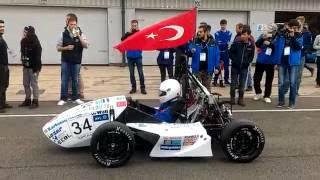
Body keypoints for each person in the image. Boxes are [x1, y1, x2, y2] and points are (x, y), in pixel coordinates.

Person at [56, 14, 89, 106]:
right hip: (66, 60)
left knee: (75, 80)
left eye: (75, 24)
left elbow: (86, 45)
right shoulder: (62, 34)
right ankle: (63, 98)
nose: (73, 26)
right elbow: (58, 48)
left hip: (76, 61)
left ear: (77, 24)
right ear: (68, 24)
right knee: (64, 80)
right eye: (71, 24)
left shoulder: (81, 33)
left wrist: (79, 36)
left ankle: (76, 98)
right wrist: (66, 48)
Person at [276, 19, 303, 109]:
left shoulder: (299, 35)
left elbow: (298, 47)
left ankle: (292, 103)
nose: (294, 30)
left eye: (296, 28)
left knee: (292, 83)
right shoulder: (283, 34)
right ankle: (281, 101)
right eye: (292, 27)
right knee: (281, 83)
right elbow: (276, 36)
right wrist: (283, 30)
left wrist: (293, 37)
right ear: (289, 26)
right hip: (282, 61)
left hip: (293, 62)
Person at [229, 26, 255, 106]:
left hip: (244, 68)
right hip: (235, 67)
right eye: (242, 34)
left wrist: (246, 62)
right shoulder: (236, 43)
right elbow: (230, 53)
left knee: (242, 84)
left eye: (244, 34)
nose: (242, 36)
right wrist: (235, 60)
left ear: (249, 36)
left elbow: (251, 57)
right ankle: (232, 98)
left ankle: (241, 99)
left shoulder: (251, 45)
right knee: (233, 84)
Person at [253, 23, 278, 103]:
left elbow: (277, 49)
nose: (269, 32)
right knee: (256, 78)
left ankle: (267, 95)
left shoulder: (277, 37)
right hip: (261, 60)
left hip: (270, 61)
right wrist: (262, 39)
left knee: (269, 80)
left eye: (271, 31)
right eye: (268, 30)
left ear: (275, 31)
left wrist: (270, 44)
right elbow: (257, 44)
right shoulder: (263, 35)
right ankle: (258, 93)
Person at [190, 25, 220, 92]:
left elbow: (217, 55)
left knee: (206, 89)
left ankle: (206, 102)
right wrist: (191, 50)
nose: (199, 33)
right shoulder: (195, 41)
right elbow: (189, 50)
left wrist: (217, 67)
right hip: (197, 69)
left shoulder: (213, 42)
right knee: (194, 88)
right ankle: (195, 102)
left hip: (208, 70)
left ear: (206, 32)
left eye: (201, 32)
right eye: (198, 32)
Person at [18, 26, 42, 108]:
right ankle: (27, 99)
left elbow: (38, 57)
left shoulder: (36, 43)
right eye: (24, 32)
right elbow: (22, 53)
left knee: (34, 84)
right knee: (25, 83)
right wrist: (23, 62)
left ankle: (35, 101)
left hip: (34, 68)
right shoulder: (23, 41)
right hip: (26, 67)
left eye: (25, 32)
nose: (24, 33)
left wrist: (36, 70)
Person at [121, 20, 146, 95]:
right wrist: (129, 33)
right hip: (130, 57)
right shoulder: (128, 34)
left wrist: (138, 32)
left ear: (137, 26)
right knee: (131, 74)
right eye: (133, 25)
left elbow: (144, 41)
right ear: (131, 26)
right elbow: (122, 39)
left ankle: (142, 88)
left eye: (135, 25)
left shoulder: (140, 33)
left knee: (140, 73)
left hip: (138, 56)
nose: (134, 27)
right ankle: (134, 88)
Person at [65, 13, 85, 99]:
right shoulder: (65, 32)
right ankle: (70, 93)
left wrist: (78, 36)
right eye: (67, 20)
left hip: (76, 58)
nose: (66, 21)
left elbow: (86, 45)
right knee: (68, 75)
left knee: (77, 76)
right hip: (67, 58)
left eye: (67, 19)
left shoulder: (79, 32)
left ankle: (80, 92)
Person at [214, 19, 232, 86]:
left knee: (226, 67)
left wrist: (223, 43)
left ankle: (226, 80)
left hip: (226, 52)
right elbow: (218, 43)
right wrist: (223, 43)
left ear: (226, 25)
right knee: (217, 66)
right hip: (219, 52)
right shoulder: (217, 33)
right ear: (220, 25)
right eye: (222, 25)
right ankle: (215, 80)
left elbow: (228, 43)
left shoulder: (229, 33)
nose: (223, 26)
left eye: (224, 25)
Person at [0, 20, 12, 113]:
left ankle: (3, 103)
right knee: (1, 85)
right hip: (1, 66)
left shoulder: (1, 38)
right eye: (0, 27)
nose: (2, 28)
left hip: (4, 65)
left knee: (4, 85)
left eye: (3, 26)